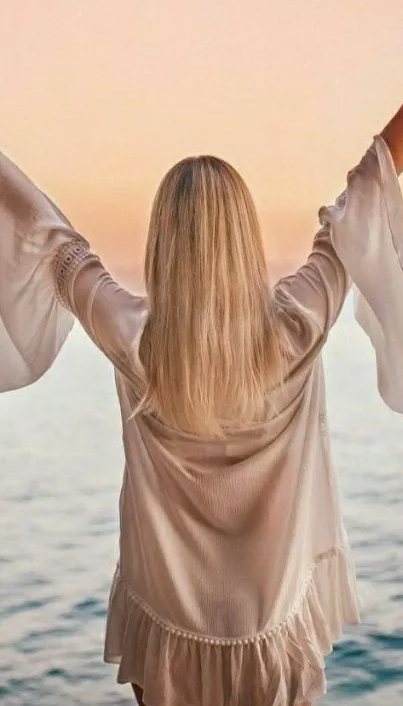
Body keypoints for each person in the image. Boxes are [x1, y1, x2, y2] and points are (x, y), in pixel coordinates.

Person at [1, 104, 403, 706]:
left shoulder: (133, 333)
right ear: (245, 238)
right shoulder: (297, 325)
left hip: (167, 620)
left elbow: (49, 236)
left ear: (163, 240)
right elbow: (362, 199)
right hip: (270, 622)